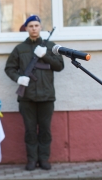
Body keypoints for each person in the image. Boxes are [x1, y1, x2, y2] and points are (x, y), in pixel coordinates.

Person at [4, 15, 64, 171]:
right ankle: (31, 160)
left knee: (45, 130)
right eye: (31, 26)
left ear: (40, 27)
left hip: (46, 96)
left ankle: (43, 159)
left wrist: (46, 56)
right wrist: (18, 79)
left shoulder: (50, 46)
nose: (34, 28)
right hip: (27, 97)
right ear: (26, 28)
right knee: (30, 131)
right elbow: (9, 68)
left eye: (36, 25)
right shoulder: (20, 49)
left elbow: (59, 66)